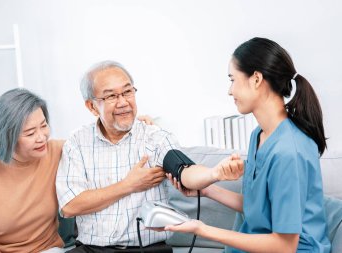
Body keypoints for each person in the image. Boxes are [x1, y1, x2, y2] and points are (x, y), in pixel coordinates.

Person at [55, 60, 244, 253]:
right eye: (111, 96)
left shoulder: (155, 138)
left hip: (146, 249)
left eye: (128, 92)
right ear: (92, 107)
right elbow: (70, 205)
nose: (123, 102)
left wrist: (214, 173)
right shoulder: (77, 142)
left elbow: (185, 171)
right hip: (89, 249)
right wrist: (128, 185)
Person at [165, 37, 331, 252]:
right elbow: (259, 210)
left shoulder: (290, 151)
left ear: (256, 79)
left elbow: (285, 246)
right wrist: (207, 191)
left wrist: (202, 230)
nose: (229, 90)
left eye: (232, 79)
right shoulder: (259, 135)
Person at [0, 88, 66, 253]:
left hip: (46, 249)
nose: (41, 137)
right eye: (30, 133)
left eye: (44, 125)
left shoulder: (58, 151)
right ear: (6, 137)